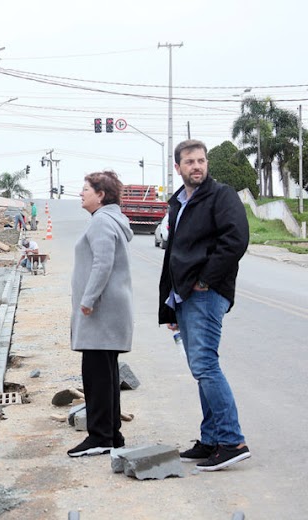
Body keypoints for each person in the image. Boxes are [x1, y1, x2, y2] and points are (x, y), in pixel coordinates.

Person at [158, 139, 251, 472]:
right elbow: (174, 255)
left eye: (201, 160)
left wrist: (206, 280)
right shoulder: (180, 202)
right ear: (178, 167)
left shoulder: (221, 195)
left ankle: (232, 441)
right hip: (187, 296)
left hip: (207, 293)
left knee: (205, 365)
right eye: (190, 161)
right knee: (201, 369)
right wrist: (173, 303)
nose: (197, 166)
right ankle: (211, 439)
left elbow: (236, 239)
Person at [68, 171, 133, 457]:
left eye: (86, 189)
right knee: (106, 374)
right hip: (109, 311)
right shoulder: (110, 220)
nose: (81, 194)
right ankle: (112, 434)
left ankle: (99, 437)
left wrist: (88, 299)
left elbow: (103, 263)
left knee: (96, 375)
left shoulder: (101, 222)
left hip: (101, 311)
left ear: (101, 195)